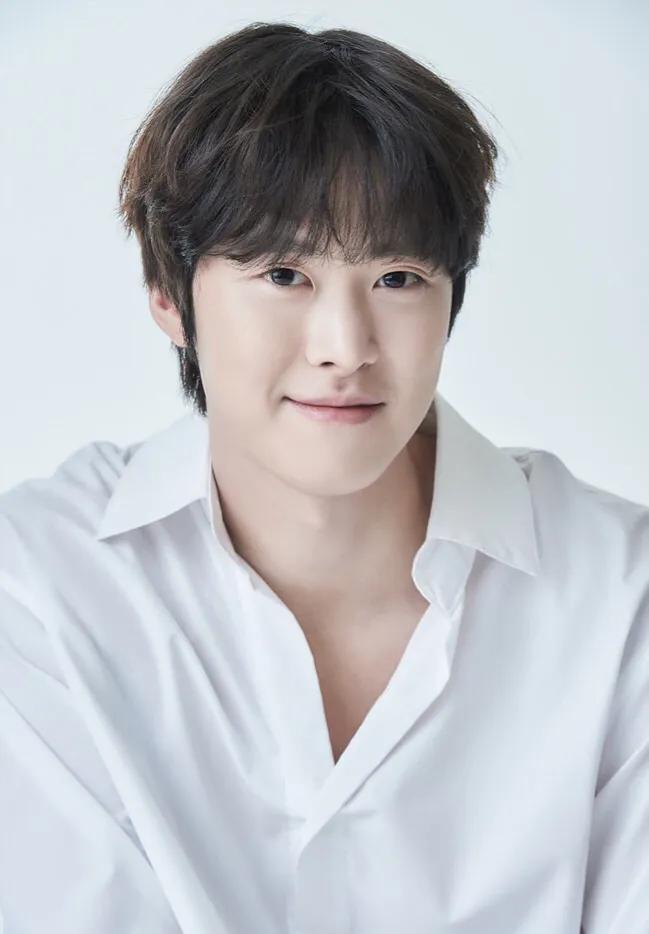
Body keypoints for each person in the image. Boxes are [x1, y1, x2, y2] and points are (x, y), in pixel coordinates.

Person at [1, 20, 647, 934]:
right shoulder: (38, 585)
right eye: (282, 273)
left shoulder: (619, 597)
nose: (345, 348)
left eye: (397, 277)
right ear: (168, 296)